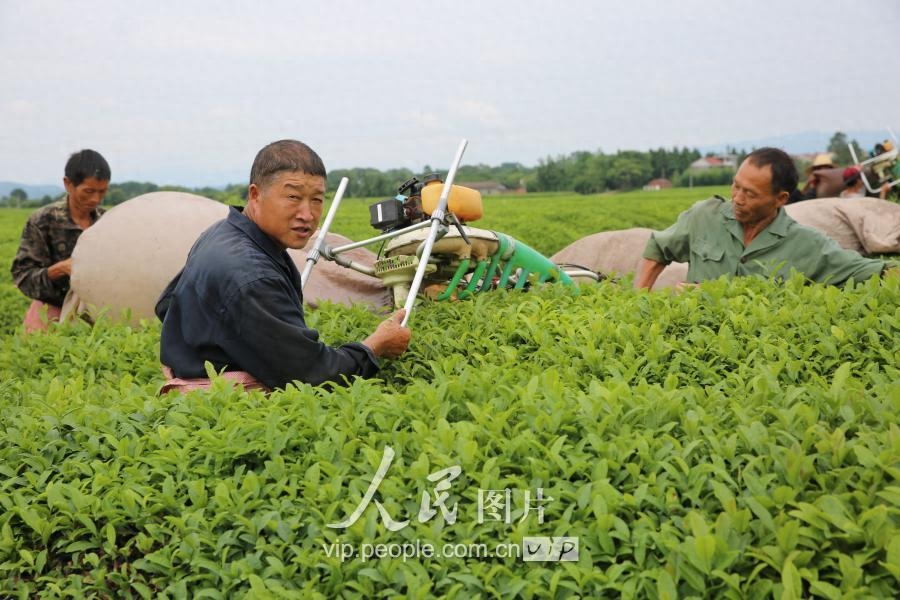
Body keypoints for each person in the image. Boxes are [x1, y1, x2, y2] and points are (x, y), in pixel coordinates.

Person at [155, 139, 411, 392]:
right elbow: (313, 376)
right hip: (224, 401)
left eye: (317, 200)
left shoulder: (220, 232)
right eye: (293, 196)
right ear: (255, 195)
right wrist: (375, 345)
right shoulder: (253, 276)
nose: (307, 214)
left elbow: (166, 306)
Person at [635, 147, 893, 289]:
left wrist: (715, 296)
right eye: (736, 186)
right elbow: (658, 248)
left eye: (750, 193)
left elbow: (874, 272)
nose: (737, 198)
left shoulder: (808, 245)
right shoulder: (704, 216)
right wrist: (641, 303)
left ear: (780, 199)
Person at [10, 149, 111, 332]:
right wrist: (58, 269)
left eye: (102, 191)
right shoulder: (43, 221)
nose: (95, 199)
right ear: (68, 184)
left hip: (99, 315)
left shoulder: (108, 222)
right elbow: (22, 277)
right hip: (50, 313)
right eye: (88, 191)